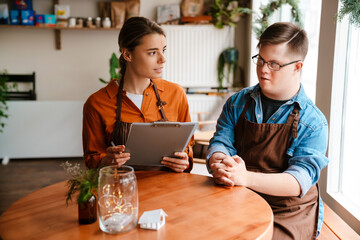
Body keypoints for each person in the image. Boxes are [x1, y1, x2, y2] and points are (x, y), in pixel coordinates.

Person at [207, 22, 329, 239]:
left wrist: (245, 177)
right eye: (261, 60)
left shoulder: (314, 122)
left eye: (274, 64)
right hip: (240, 196)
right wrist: (219, 160)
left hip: (288, 210)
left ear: (297, 67)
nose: (263, 69)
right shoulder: (237, 103)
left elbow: (297, 181)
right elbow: (222, 142)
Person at [83, 17, 193, 172]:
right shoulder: (96, 103)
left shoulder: (176, 94)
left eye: (163, 50)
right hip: (121, 189)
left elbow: (188, 147)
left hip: (169, 189)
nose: (163, 59)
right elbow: (91, 159)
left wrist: (184, 161)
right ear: (127, 54)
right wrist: (106, 161)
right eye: (152, 53)